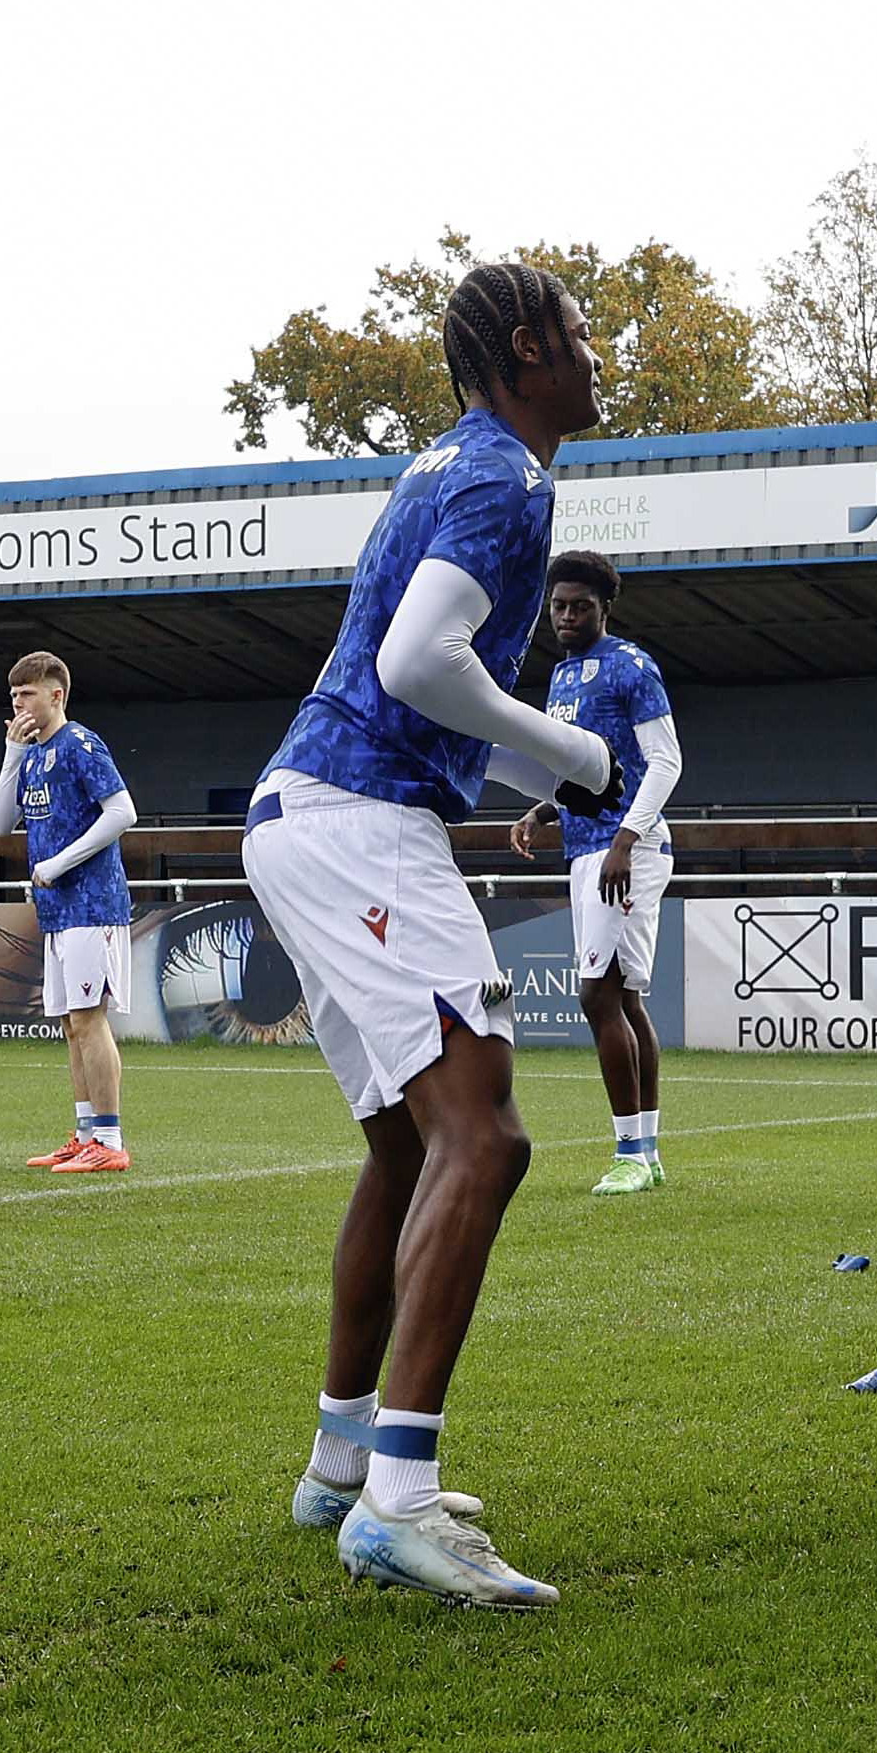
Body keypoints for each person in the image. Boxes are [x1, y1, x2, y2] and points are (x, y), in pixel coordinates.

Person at [248, 262, 619, 1609]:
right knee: (488, 1138)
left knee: (408, 1148)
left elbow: (407, 669)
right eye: (579, 334)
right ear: (527, 350)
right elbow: (415, 663)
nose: (596, 352)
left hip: (305, 812)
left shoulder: (451, 465)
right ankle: (398, 1501)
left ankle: (345, 1458)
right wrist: (564, 751)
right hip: (359, 820)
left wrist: (536, 773)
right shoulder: (507, 480)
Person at [512, 553, 679, 1190]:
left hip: (624, 851)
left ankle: (630, 1155)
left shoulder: (631, 667)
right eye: (558, 605)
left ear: (605, 607)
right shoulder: (560, 677)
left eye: (580, 605)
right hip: (586, 847)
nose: (567, 615)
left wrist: (624, 841)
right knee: (623, 998)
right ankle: (648, 1152)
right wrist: (543, 810)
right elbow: (585, 773)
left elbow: (664, 762)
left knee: (596, 995)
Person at [0, 651, 139, 1172]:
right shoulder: (31, 754)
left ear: (57, 695)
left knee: (88, 1018)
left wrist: (58, 862)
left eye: (27, 694)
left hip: (92, 903)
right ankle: (84, 1134)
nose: (18, 705)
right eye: (13, 697)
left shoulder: (80, 744)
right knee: (70, 1025)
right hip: (58, 910)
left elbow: (123, 811)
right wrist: (11, 755)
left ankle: (111, 1142)